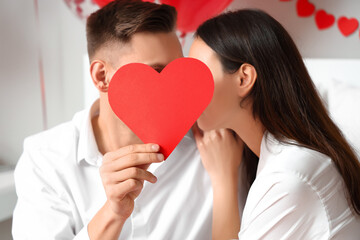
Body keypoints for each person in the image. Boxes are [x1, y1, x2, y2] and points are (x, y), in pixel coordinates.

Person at [12, 1, 248, 239]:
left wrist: (225, 180)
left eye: (176, 72)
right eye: (156, 72)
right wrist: (113, 213)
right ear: (101, 76)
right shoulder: (45, 160)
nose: (171, 90)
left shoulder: (218, 144)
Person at [189, 9, 360, 240]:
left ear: (244, 79)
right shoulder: (287, 158)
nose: (186, 89)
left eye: (197, 74)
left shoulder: (288, 178)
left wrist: (223, 181)